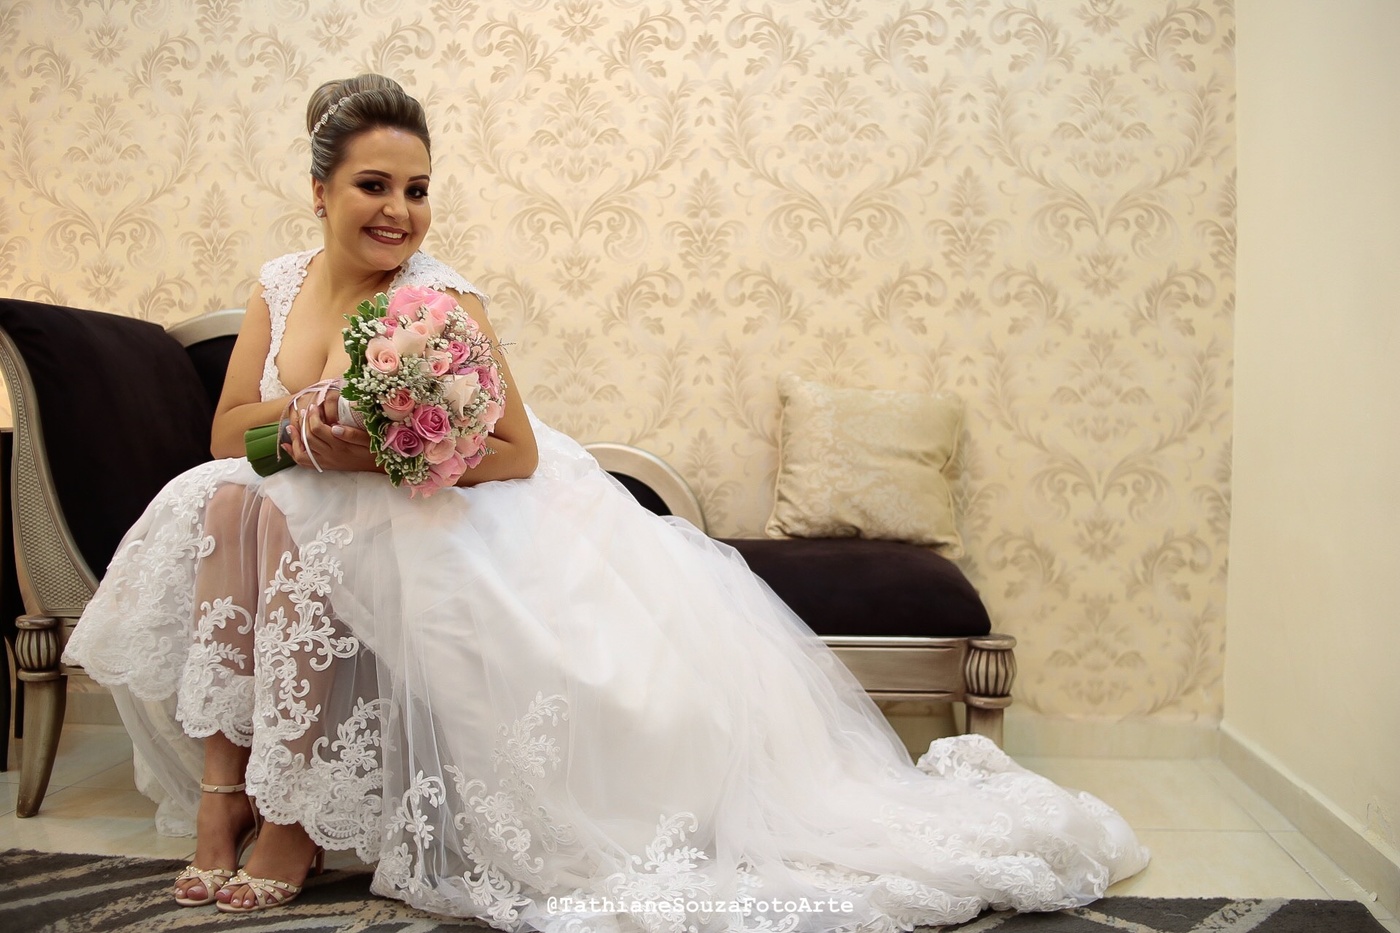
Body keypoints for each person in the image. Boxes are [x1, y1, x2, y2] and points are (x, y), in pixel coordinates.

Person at [65, 74, 1147, 930]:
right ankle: (228, 796)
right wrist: (308, 427)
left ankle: (292, 818)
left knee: (276, 513)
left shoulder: (438, 299)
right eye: (374, 186)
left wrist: (387, 451)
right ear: (319, 191)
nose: (399, 211)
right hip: (315, 495)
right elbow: (229, 431)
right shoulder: (279, 283)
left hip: (449, 509)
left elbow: (514, 452)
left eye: (417, 189)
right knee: (226, 499)